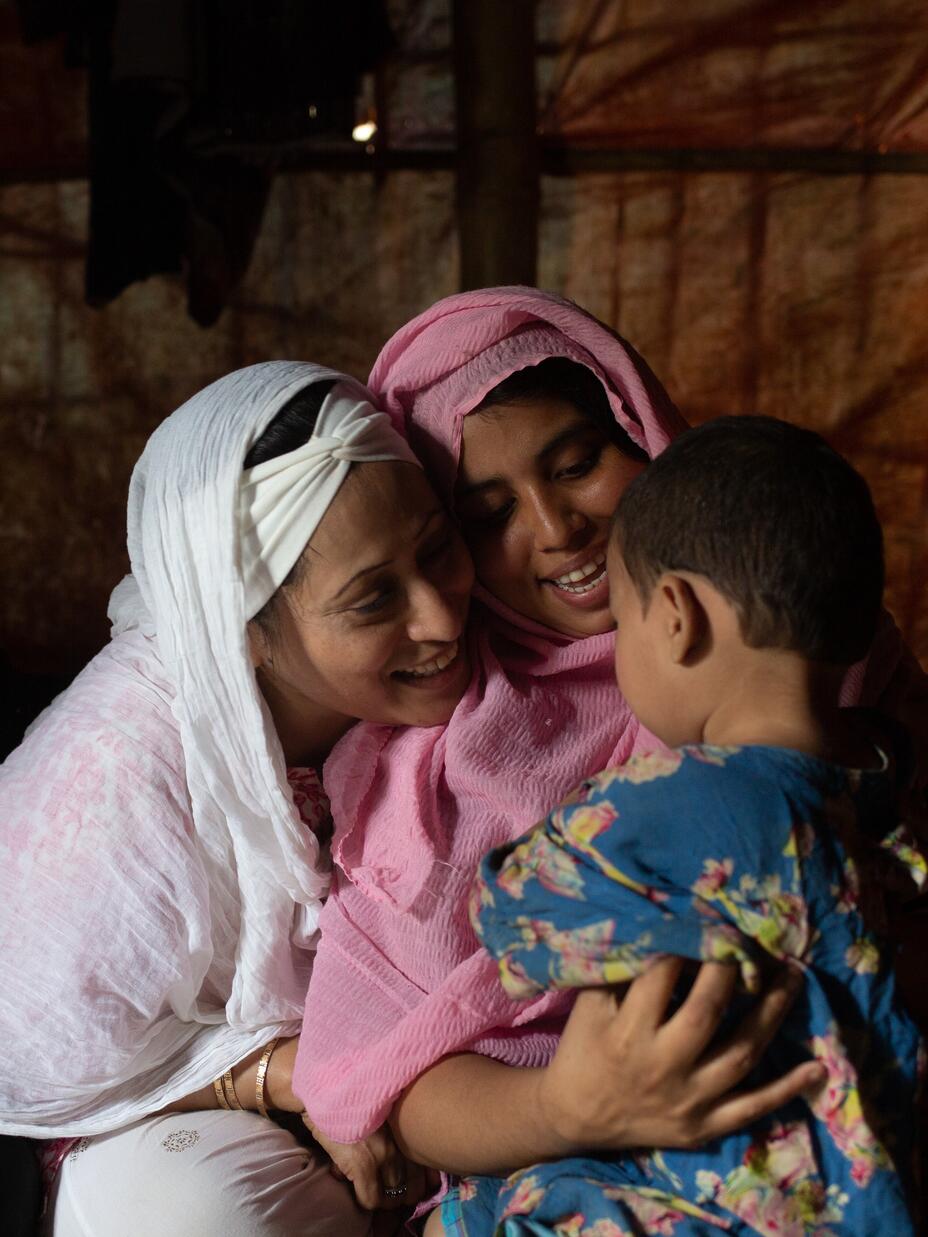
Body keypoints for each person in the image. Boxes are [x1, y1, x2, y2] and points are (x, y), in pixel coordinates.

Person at [294, 289, 926, 1212]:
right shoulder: (425, 770)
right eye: (487, 514)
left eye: (578, 462)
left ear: (642, 429)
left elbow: (523, 905)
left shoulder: (841, 646)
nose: (556, 530)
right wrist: (572, 1103)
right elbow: (398, 1079)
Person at [0, 361, 475, 1236]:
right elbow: (33, 1050)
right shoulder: (110, 776)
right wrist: (280, 1071)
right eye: (373, 599)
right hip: (155, 1112)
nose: (442, 619)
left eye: (440, 548)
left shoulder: (487, 671)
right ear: (244, 629)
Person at [453, 415, 924, 1235]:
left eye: (626, 621)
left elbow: (511, 915)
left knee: (486, 1210)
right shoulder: (876, 793)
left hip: (729, 1206)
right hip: (879, 1195)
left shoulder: (684, 797)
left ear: (675, 614)